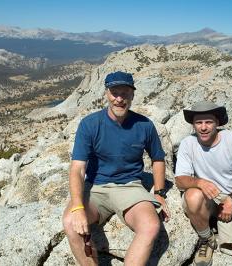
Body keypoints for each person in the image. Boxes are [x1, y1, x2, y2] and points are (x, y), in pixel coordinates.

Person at [63, 71, 170, 266]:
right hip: (96, 187)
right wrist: (78, 207)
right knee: (71, 223)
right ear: (106, 94)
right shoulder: (90, 124)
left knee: (151, 225)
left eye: (125, 93)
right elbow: (77, 168)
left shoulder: (144, 125)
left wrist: (160, 192)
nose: (119, 99)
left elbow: (158, 158)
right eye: (114, 93)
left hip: (130, 187)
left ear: (132, 95)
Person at [175, 101, 232, 266]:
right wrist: (199, 182)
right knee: (192, 195)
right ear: (193, 125)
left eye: (208, 122)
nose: (203, 127)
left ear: (217, 123)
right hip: (208, 198)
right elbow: (180, 180)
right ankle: (206, 238)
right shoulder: (187, 144)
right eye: (198, 122)